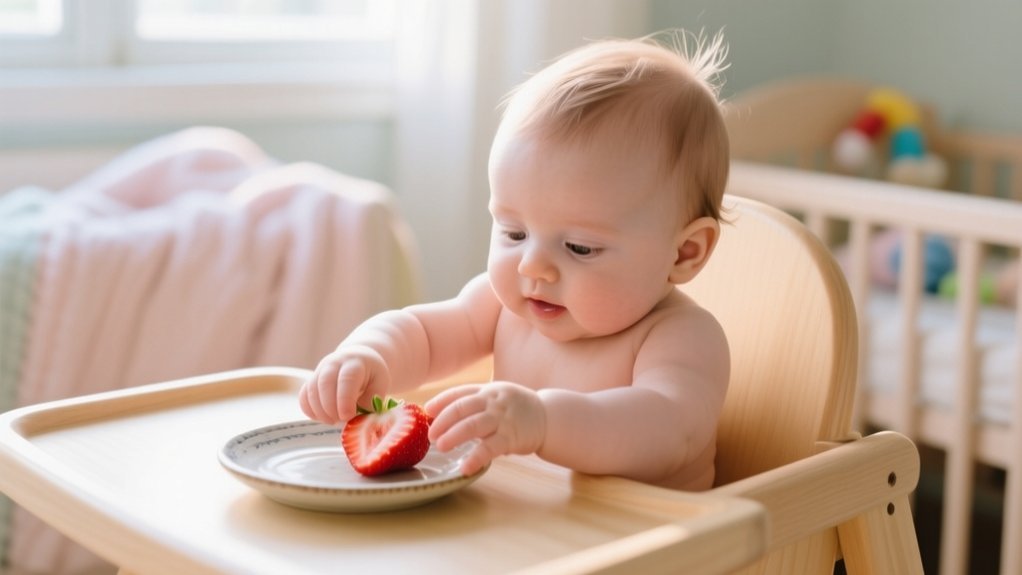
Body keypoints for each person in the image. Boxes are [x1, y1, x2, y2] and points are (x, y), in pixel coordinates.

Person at [299, 32, 732, 491]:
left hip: (647, 534)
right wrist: (368, 355)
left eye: (579, 248)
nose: (532, 267)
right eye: (514, 233)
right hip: (524, 523)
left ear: (685, 252)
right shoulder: (504, 306)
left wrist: (544, 421)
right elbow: (423, 333)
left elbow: (669, 431)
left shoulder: (680, 338)